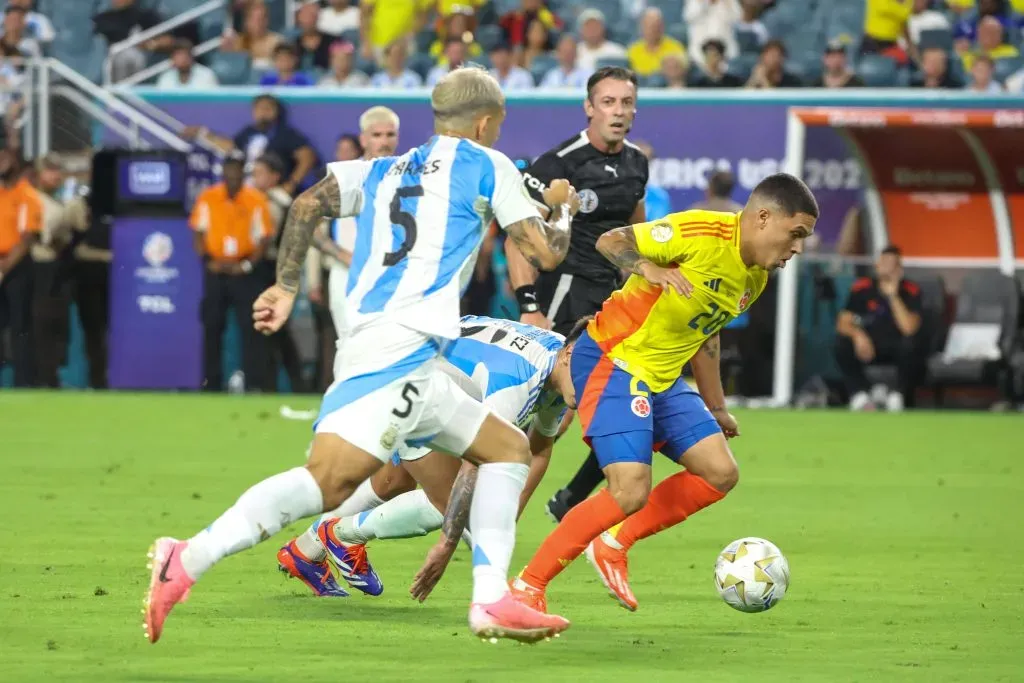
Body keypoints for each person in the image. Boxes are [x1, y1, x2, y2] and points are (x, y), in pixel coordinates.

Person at [143, 66, 579, 645]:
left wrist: (287, 284)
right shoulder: (485, 163)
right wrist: (563, 209)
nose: (497, 134)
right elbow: (546, 254)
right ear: (483, 123)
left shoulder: (380, 169)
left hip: (411, 351)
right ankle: (187, 557)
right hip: (396, 350)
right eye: (497, 125)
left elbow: (304, 205)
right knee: (326, 482)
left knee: (507, 447)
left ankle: (492, 599)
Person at [510, 174, 819, 613]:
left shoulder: (754, 279)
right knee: (629, 490)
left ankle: (614, 542)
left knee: (719, 472)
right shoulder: (701, 233)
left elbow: (706, 337)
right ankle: (526, 587)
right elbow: (610, 240)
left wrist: (717, 407)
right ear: (764, 217)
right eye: (796, 234)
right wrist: (648, 267)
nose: (798, 248)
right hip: (614, 359)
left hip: (661, 376)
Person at [277, 314, 585, 599]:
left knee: (392, 482)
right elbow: (475, 464)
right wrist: (446, 545)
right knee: (452, 503)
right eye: (588, 375)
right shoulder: (518, 384)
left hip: (411, 363)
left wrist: (508, 517)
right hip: (407, 382)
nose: (590, 387)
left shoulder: (560, 361)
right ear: (570, 354)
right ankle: (341, 535)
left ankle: (305, 552)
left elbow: (539, 449)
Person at [506, 66, 648, 522]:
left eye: (626, 103)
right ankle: (495, 515)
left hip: (614, 304)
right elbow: (517, 237)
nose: (618, 111)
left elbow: (635, 228)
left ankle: (567, 500)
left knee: (636, 401)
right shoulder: (560, 164)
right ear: (589, 108)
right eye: (608, 102)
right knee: (547, 422)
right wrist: (530, 306)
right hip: (565, 298)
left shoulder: (637, 164)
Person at [190, 155, 273, 392]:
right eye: (229, 169)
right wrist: (207, 261)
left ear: (242, 171)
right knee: (212, 326)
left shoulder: (255, 199)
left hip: (244, 270)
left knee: (250, 328)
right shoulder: (209, 197)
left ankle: (254, 384)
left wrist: (247, 266)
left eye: (237, 169)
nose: (233, 174)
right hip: (216, 269)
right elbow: (198, 231)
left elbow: (264, 237)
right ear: (223, 171)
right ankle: (211, 384)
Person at [835, 245, 923, 412]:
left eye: (892, 265)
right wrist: (858, 335)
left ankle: (898, 395)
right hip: (867, 345)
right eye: (884, 263)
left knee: (911, 344)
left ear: (899, 269)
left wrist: (893, 296)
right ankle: (860, 394)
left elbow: (909, 328)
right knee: (841, 343)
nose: (887, 268)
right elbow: (842, 323)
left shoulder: (911, 290)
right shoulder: (862, 288)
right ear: (877, 265)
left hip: (896, 345)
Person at [183, 94, 319, 194]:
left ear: (276, 112)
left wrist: (291, 184)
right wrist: (203, 133)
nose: (263, 113)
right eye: (259, 109)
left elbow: (307, 157)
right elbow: (231, 147)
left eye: (268, 109)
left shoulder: (285, 133)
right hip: (247, 187)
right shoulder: (248, 132)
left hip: (274, 189)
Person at [30, 154, 73, 388]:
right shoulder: (32, 200)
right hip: (36, 267)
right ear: (38, 174)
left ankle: (49, 375)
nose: (55, 175)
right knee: (40, 324)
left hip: (54, 267)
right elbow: (41, 238)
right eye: (49, 170)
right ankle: (41, 378)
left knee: (54, 324)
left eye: (58, 170)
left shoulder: (58, 203)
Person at [0, 149, 40, 386]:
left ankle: (23, 383)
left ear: (15, 160)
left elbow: (26, 239)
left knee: (20, 326)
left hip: (17, 267)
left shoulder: (26, 195)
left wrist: (4, 269)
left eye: (5, 157)